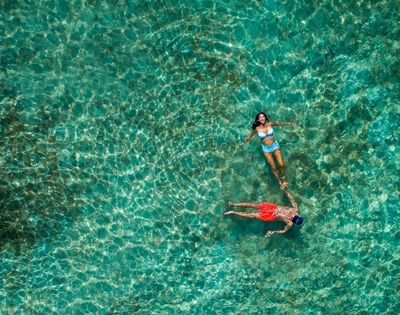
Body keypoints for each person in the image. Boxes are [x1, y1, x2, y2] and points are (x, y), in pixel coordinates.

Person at [243, 112, 293, 190]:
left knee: (281, 164)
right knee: (273, 167)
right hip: (266, 149)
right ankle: (280, 182)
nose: (262, 118)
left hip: (274, 146)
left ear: (265, 118)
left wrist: (289, 123)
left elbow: (280, 124)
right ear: (258, 119)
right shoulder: (257, 128)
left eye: (263, 117)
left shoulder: (270, 124)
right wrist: (243, 142)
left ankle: (284, 178)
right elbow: (250, 136)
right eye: (260, 117)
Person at [224, 189, 303, 237]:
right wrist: (286, 192)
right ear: (298, 215)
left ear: (294, 222)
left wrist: (273, 232)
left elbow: (283, 230)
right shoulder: (295, 209)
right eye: (295, 217)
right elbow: (291, 199)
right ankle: (234, 204)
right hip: (273, 207)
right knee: (253, 205)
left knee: (253, 215)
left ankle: (233, 212)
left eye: (294, 220)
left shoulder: (290, 223)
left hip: (271, 216)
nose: (292, 217)